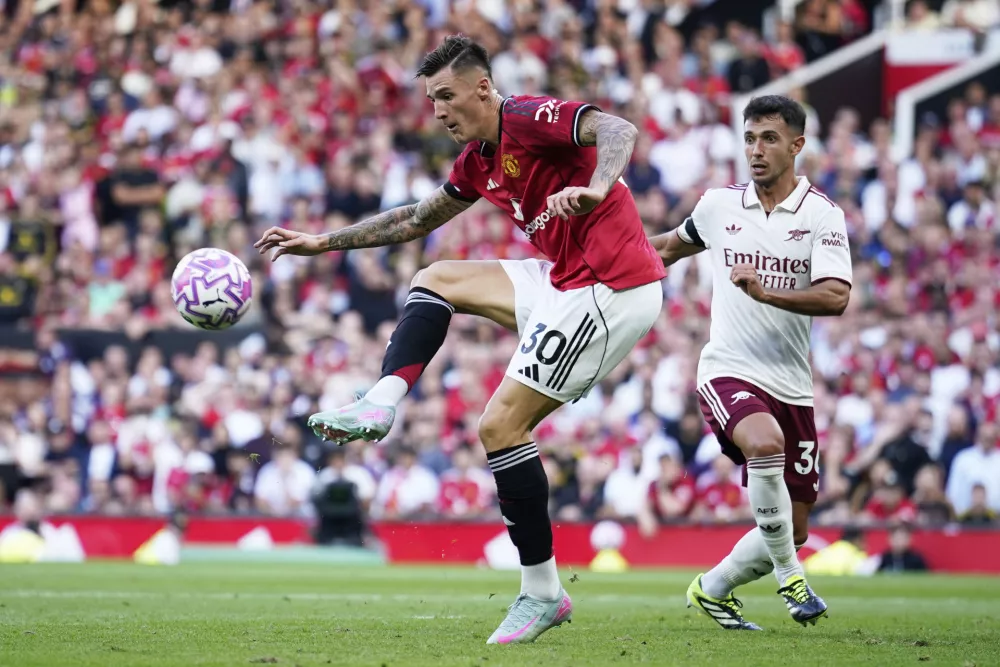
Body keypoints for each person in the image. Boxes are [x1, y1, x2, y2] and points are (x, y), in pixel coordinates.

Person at [254, 35, 665, 644]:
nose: (440, 111)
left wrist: (600, 187)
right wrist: (323, 242)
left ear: (482, 88)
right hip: (562, 280)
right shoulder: (478, 160)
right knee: (436, 276)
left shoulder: (527, 117)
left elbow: (619, 130)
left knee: (499, 428)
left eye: (447, 96)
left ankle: (542, 592)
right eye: (431, 100)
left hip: (612, 287)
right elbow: (417, 220)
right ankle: (381, 402)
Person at [650, 95, 853, 629]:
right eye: (748, 138)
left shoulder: (822, 216)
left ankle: (713, 589)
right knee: (764, 445)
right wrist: (596, 253)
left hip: (793, 384)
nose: (756, 150)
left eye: (768, 138)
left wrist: (768, 295)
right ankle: (792, 578)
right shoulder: (719, 205)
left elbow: (835, 296)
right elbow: (669, 248)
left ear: (797, 145)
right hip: (727, 368)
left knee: (796, 524)